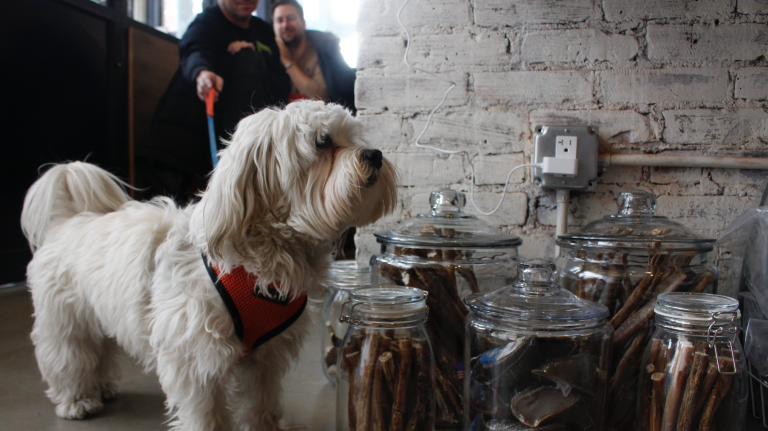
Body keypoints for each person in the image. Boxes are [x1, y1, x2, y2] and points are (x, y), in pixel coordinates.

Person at [136, 0, 290, 202]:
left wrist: (251, 55)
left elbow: (281, 83)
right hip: (201, 126)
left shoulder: (263, 31)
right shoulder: (207, 22)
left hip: (247, 122)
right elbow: (195, 51)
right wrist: (202, 74)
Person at [271, 0, 356, 112]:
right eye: (279, 20)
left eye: (291, 18)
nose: (285, 25)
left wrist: (288, 63)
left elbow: (319, 96)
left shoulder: (323, 51)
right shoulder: (269, 56)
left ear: (303, 23)